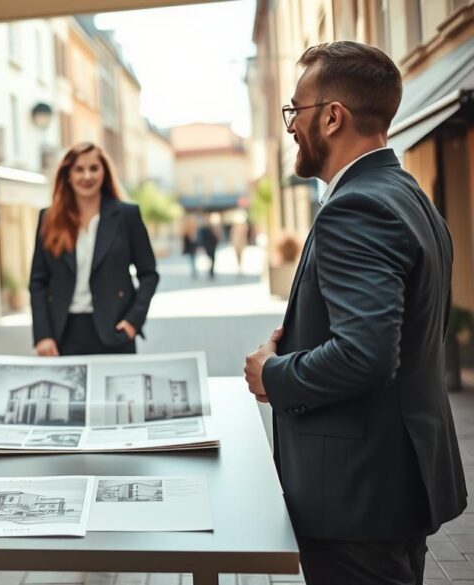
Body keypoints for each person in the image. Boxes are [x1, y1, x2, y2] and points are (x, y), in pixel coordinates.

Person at [243, 42, 465, 584]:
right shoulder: (408, 194)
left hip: (356, 499)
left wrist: (272, 373)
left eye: (296, 111)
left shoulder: (355, 207)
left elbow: (364, 355)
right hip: (393, 487)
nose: (291, 126)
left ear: (333, 117)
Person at [29, 142, 159, 356]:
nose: (87, 176)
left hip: (116, 330)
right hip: (63, 333)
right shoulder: (49, 218)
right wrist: (43, 335)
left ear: (104, 173)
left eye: (94, 168)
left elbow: (149, 274)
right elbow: (38, 282)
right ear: (68, 175)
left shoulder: (127, 216)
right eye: (79, 169)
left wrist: (133, 321)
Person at [197, 213, 220, 280]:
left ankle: (211, 271)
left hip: (212, 245)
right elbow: (201, 238)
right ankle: (211, 271)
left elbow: (216, 237)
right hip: (208, 245)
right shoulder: (204, 229)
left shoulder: (213, 228)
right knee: (211, 258)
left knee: (212, 259)